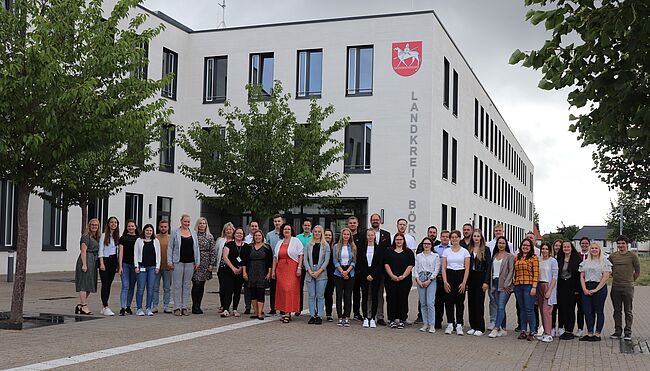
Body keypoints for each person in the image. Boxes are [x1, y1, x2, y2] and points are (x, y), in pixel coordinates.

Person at [609, 235, 640, 341]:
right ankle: (618, 331)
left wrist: (630, 280)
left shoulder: (632, 256)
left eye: (623, 243)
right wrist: (615, 276)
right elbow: (609, 268)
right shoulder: (613, 256)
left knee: (628, 311)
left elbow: (637, 271)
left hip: (628, 287)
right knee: (617, 311)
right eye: (619, 243)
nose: (621, 245)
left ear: (627, 244)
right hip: (615, 287)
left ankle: (628, 332)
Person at [578, 243, 612, 341]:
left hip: (599, 288)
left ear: (599, 249)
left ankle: (597, 334)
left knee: (599, 311)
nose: (594, 250)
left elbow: (606, 277)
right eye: (592, 248)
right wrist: (584, 289)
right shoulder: (585, 262)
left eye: (596, 248)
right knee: (587, 311)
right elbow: (582, 276)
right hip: (587, 287)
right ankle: (589, 333)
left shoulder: (604, 262)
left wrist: (596, 289)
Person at [168, 214, 200, 316]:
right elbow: (170, 247)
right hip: (178, 262)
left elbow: (197, 248)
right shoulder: (175, 232)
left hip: (190, 262)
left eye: (188, 222)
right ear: (181, 221)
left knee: (186, 285)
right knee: (177, 285)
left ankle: (184, 306)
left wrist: (197, 261)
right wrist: (170, 261)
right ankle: (177, 307)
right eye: (185, 221)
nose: (187, 223)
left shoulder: (193, 233)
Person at [272, 223, 304, 323]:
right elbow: (275, 257)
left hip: (292, 268)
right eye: (285, 229)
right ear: (282, 231)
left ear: (291, 231)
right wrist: (273, 270)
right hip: (281, 269)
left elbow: (301, 255)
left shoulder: (296, 241)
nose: (286, 231)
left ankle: (288, 313)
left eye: (288, 229)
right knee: (282, 290)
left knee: (289, 290)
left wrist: (299, 267)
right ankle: (285, 311)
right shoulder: (279, 242)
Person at [442, 230, 470, 335]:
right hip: (449, 276)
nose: (454, 239)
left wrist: (464, 283)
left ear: (459, 238)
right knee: (448, 301)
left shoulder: (465, 251)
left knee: (459, 302)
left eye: (456, 237)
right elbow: (443, 268)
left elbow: (467, 268)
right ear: (450, 239)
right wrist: (445, 281)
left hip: (460, 276)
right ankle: (450, 323)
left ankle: (459, 324)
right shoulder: (446, 252)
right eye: (452, 237)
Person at [384, 233, 415, 329]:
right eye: (397, 239)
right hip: (391, 279)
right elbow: (386, 264)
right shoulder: (389, 251)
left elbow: (410, 265)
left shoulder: (408, 252)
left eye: (400, 239)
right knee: (391, 299)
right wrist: (392, 275)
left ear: (404, 241)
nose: (399, 241)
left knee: (403, 299)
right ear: (394, 240)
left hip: (404, 280)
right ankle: (392, 319)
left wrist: (403, 276)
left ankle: (402, 319)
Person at [486, 224, 513, 330]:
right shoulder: (489, 245)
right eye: (496, 230)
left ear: (503, 231)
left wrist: (508, 282)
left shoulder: (509, 246)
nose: (498, 232)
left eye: (500, 230)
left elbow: (510, 267)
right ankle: (495, 322)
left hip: (504, 282)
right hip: (493, 280)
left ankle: (498, 327)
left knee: (501, 305)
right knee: (494, 302)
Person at [242, 230, 273, 320]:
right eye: (256, 235)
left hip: (262, 271)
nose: (257, 237)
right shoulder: (249, 247)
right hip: (251, 271)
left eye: (259, 235)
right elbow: (244, 261)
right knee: (253, 293)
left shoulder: (267, 247)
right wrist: (244, 272)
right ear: (253, 237)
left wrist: (269, 272)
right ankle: (255, 312)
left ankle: (260, 313)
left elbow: (270, 261)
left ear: (262, 237)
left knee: (260, 292)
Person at [303, 225, 330, 324]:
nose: (317, 233)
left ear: (321, 233)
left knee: (320, 295)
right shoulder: (308, 245)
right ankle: (312, 315)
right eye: (315, 232)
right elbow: (305, 260)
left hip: (321, 272)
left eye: (319, 232)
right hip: (310, 271)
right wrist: (309, 271)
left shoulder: (325, 245)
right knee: (311, 295)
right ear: (313, 233)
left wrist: (318, 272)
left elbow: (326, 260)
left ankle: (319, 315)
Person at [357, 229, 385, 328]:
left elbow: (380, 263)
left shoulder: (379, 249)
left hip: (375, 275)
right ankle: (365, 317)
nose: (370, 237)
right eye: (368, 235)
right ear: (366, 237)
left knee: (375, 296)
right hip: (364, 275)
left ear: (374, 236)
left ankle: (373, 318)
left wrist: (373, 274)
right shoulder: (361, 248)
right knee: (364, 296)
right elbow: (360, 263)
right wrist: (366, 274)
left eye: (372, 235)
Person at [467, 228, 491, 336]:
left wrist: (486, 282)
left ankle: (480, 327)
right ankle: (473, 326)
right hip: (471, 277)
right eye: (474, 236)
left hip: (481, 277)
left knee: (479, 303)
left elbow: (489, 267)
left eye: (478, 236)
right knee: (471, 302)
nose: (476, 238)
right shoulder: (469, 249)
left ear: (481, 238)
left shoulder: (486, 249)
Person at [513, 238, 539, 341]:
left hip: (529, 286)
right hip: (518, 286)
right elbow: (514, 272)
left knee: (529, 309)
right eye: (524, 245)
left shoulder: (533, 258)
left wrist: (534, 287)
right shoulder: (517, 257)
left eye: (527, 245)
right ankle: (523, 330)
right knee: (522, 309)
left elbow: (536, 274)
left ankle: (532, 331)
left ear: (531, 247)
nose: (525, 247)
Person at [368, 213, 391, 326]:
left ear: (380, 221)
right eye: (373, 220)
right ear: (370, 221)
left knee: (379, 294)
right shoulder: (366, 234)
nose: (375, 221)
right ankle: (368, 315)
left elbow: (388, 252)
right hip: (368, 271)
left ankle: (380, 316)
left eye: (377, 219)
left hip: (381, 270)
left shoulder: (386, 235)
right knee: (368, 294)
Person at [133, 224, 161, 316]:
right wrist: (136, 266)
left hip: (152, 267)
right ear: (144, 231)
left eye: (150, 230)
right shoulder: (139, 240)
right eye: (147, 230)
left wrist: (157, 267)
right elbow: (135, 254)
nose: (149, 232)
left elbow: (158, 255)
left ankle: (148, 308)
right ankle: (139, 308)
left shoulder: (155, 241)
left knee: (151, 288)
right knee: (140, 288)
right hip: (141, 267)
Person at [75, 218, 101, 315]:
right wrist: (84, 264)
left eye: (96, 225)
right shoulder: (86, 236)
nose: (94, 226)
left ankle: (80, 305)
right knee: (84, 284)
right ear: (89, 226)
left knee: (90, 285)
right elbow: (83, 250)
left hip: (93, 261)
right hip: (86, 260)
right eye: (92, 225)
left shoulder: (97, 237)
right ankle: (84, 306)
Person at [414, 237, 440, 333]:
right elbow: (415, 268)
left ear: (431, 245)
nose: (426, 245)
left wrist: (430, 280)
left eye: (428, 244)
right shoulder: (419, 256)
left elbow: (436, 269)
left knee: (430, 302)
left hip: (431, 278)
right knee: (423, 303)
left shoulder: (435, 256)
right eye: (425, 243)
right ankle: (425, 323)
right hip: (420, 277)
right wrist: (418, 280)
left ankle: (432, 324)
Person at [221, 227, 247, 317]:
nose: (239, 235)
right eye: (237, 233)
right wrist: (233, 268)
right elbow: (225, 257)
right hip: (229, 271)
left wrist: (241, 269)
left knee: (237, 291)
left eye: (241, 233)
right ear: (234, 234)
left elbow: (246, 259)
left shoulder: (246, 246)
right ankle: (225, 309)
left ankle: (235, 309)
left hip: (240, 272)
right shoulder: (229, 244)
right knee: (228, 290)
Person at [191, 217, 216, 314]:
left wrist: (211, 264)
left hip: (205, 263)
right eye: (200, 223)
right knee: (196, 284)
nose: (202, 225)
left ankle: (198, 305)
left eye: (204, 223)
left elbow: (212, 251)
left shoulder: (209, 236)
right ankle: (194, 305)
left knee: (201, 285)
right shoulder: (193, 235)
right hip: (196, 262)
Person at [333, 227, 357, 327]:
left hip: (350, 272)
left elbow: (354, 261)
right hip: (339, 272)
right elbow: (335, 260)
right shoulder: (336, 247)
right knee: (339, 296)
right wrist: (342, 271)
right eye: (344, 234)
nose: (346, 236)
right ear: (341, 235)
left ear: (350, 236)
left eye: (348, 235)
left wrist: (347, 271)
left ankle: (347, 317)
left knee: (348, 296)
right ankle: (340, 317)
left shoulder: (353, 247)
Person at [556, 240, 581, 339]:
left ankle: (569, 330)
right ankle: (563, 328)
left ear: (571, 248)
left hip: (572, 286)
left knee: (571, 309)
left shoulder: (577, 260)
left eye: (568, 247)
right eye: (564, 247)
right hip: (561, 286)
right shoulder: (559, 259)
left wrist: (577, 289)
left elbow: (579, 276)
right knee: (562, 308)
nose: (566, 248)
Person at [98, 216, 120, 316]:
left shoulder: (116, 237)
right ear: (108, 224)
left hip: (113, 260)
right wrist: (101, 262)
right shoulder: (104, 236)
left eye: (115, 222)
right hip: (105, 260)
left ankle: (104, 306)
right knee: (105, 283)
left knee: (109, 284)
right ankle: (105, 306)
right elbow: (101, 250)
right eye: (111, 222)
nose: (113, 224)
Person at [537, 242, 558, 343]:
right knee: (541, 310)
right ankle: (545, 332)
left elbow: (555, 276)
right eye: (543, 249)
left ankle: (549, 334)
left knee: (547, 311)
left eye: (546, 249)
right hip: (539, 285)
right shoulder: (539, 260)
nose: (544, 251)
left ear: (549, 250)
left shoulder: (553, 261)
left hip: (548, 285)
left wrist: (550, 290)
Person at [118, 220, 139, 316]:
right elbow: (121, 252)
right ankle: (122, 307)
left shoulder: (139, 239)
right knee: (125, 286)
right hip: (125, 265)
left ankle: (128, 306)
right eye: (129, 226)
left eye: (132, 226)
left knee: (131, 286)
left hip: (135, 265)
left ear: (135, 227)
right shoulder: (123, 238)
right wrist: (120, 266)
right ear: (126, 228)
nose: (131, 228)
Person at [265, 215, 284, 315]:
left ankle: (282, 308)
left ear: (282, 222)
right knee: (273, 288)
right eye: (275, 221)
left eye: (279, 221)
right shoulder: (269, 235)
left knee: (282, 287)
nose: (277, 223)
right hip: (273, 263)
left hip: (284, 264)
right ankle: (273, 308)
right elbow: (267, 250)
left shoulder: (286, 234)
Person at [153, 219, 172, 313]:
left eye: (165, 227)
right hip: (156, 267)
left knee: (167, 288)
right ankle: (155, 306)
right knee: (155, 287)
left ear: (168, 227)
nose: (163, 228)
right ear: (158, 227)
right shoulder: (155, 238)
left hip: (168, 267)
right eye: (161, 226)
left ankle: (166, 306)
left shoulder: (171, 238)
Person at [348, 216, 365, 322]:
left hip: (359, 270)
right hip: (346, 270)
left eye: (354, 223)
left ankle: (357, 313)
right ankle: (346, 314)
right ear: (348, 224)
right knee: (347, 292)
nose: (352, 224)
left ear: (358, 224)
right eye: (351, 223)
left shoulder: (362, 237)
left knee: (357, 293)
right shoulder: (345, 237)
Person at [433, 229, 451, 329]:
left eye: (447, 237)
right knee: (438, 301)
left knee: (449, 301)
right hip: (437, 277)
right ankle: (437, 321)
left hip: (449, 277)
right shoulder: (435, 249)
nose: (445, 238)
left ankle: (450, 322)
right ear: (440, 237)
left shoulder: (453, 249)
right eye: (443, 236)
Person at [216, 222, 234, 314]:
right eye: (227, 229)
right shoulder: (220, 240)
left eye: (230, 229)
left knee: (229, 288)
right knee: (222, 288)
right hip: (222, 267)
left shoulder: (236, 240)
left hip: (232, 268)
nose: (229, 231)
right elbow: (216, 252)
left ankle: (227, 306)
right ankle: (222, 305)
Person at [296, 218, 313, 316]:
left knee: (311, 289)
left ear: (311, 227)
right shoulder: (298, 237)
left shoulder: (314, 237)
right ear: (302, 226)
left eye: (308, 225)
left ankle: (312, 309)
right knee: (299, 288)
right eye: (305, 225)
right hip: (300, 266)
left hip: (311, 267)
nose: (307, 227)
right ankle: (299, 308)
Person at [323, 228, 337, 322]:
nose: (328, 236)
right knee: (319, 294)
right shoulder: (321, 246)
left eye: (329, 235)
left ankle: (329, 314)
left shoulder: (335, 247)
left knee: (329, 294)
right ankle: (317, 312)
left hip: (331, 273)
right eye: (326, 235)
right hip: (321, 272)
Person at [551, 239, 562, 335]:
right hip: (552, 286)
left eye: (559, 245)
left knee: (562, 308)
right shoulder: (551, 258)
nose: (557, 247)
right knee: (552, 308)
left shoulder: (565, 258)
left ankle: (561, 327)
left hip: (562, 287)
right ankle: (552, 327)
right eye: (556, 245)